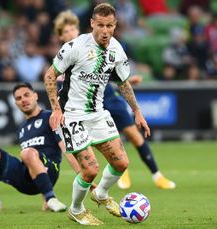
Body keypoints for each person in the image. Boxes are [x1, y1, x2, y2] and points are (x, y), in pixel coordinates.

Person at [44, 3, 150, 225]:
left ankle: (101, 194)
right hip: (73, 115)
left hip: (98, 114)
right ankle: (76, 209)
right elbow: (50, 76)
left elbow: (123, 84)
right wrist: (56, 108)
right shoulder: (75, 46)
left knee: (121, 163)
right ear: (92, 23)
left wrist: (137, 112)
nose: (104, 30)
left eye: (109, 25)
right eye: (100, 25)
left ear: (115, 25)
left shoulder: (117, 50)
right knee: (90, 169)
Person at [53, 10, 175, 190]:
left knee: (134, 134)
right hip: (82, 109)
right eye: (66, 31)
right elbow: (69, 83)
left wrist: (125, 82)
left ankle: (157, 175)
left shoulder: (97, 46)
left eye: (72, 29)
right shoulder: (67, 54)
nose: (70, 33)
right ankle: (118, 174)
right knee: (97, 144)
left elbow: (102, 73)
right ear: (60, 36)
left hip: (109, 97)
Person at [0, 82, 81, 213]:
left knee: (27, 152)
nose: (23, 100)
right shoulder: (21, 129)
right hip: (26, 180)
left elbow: (67, 148)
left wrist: (82, 176)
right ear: (16, 103)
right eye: (18, 98)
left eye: (26, 95)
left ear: (35, 96)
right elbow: (31, 160)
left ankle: (50, 198)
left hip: (50, 170)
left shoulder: (50, 117)